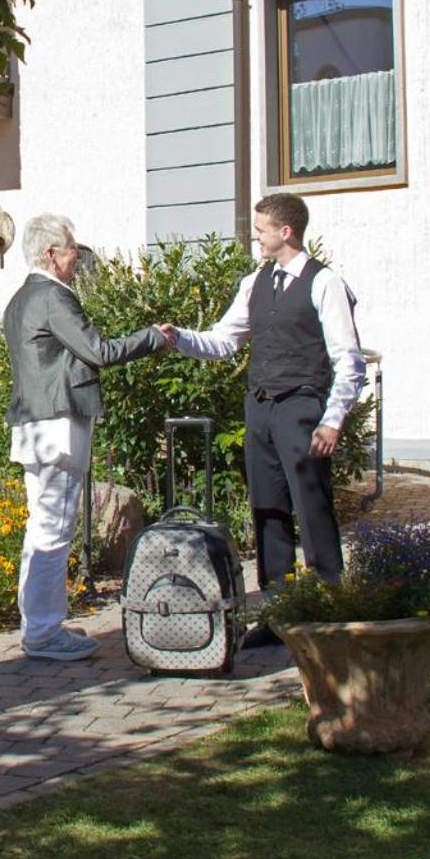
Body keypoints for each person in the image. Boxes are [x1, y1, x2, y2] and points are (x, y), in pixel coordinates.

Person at [155, 192, 366, 648]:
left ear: (285, 231)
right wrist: (179, 339)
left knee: (312, 509)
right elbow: (224, 340)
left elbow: (348, 359)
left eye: (262, 229)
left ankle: (330, 609)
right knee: (267, 509)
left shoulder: (324, 283)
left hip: (302, 408)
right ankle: (278, 611)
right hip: (261, 408)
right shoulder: (256, 282)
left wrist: (332, 420)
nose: (256, 235)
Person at [5, 214, 166, 661]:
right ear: (51, 254)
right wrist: (152, 337)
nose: (78, 254)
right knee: (52, 530)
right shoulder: (54, 296)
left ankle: (39, 624)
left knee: (40, 528)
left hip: (33, 424)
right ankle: (42, 633)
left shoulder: (20, 298)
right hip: (58, 423)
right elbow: (98, 350)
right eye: (72, 246)